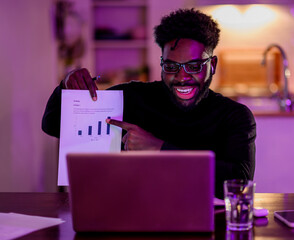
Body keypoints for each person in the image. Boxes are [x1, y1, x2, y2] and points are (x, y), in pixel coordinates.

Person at [42, 8, 256, 198]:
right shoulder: (133, 97)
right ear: (162, 64)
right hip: (133, 216)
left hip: (206, 221)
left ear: (213, 64)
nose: (182, 77)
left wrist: (160, 149)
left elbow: (240, 183)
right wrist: (66, 86)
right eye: (172, 67)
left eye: (194, 66)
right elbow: (52, 124)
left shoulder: (233, 116)